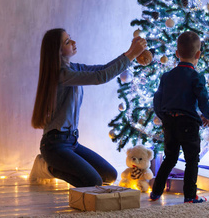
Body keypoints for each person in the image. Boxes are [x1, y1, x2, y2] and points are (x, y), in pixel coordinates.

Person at [31, 28, 147, 187]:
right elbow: (101, 77)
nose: (73, 43)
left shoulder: (74, 68)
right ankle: (47, 167)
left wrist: (129, 52)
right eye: (67, 42)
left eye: (70, 38)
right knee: (93, 182)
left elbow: (102, 69)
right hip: (54, 145)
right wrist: (132, 55)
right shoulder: (61, 74)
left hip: (72, 141)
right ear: (57, 51)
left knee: (110, 175)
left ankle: (57, 164)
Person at [150, 31, 209, 203]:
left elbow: (158, 98)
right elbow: (203, 98)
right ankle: (190, 196)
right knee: (192, 160)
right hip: (188, 123)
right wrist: (207, 114)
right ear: (198, 54)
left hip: (169, 121)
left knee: (170, 157)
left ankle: (155, 192)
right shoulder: (196, 77)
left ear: (177, 54)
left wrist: (163, 116)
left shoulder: (167, 76)